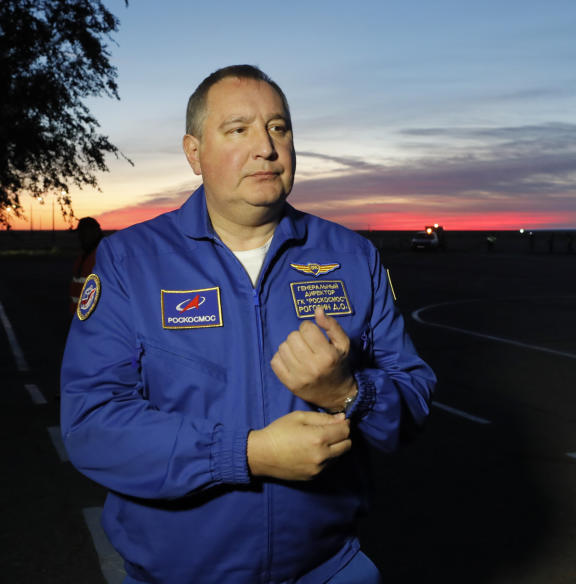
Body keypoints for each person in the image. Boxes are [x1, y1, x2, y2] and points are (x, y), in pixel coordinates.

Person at [60, 65, 436, 584]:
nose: (266, 147)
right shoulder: (129, 261)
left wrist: (350, 392)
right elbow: (92, 424)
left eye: (278, 127)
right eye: (238, 129)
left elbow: (414, 400)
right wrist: (246, 454)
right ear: (194, 153)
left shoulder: (352, 256)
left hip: (328, 570)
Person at [68, 217, 103, 315]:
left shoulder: (103, 257)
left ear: (94, 233)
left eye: (83, 233)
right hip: (79, 319)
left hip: (93, 321)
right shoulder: (84, 257)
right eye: (80, 233)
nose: (80, 237)